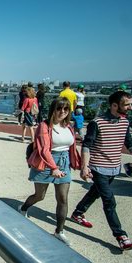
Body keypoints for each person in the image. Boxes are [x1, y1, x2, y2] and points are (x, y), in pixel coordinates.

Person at [71, 91, 132, 251]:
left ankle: (78, 213)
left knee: (95, 192)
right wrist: (85, 167)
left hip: (114, 168)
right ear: (114, 105)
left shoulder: (124, 122)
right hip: (98, 168)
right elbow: (87, 145)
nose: (130, 107)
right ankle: (121, 236)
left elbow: (129, 142)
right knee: (109, 201)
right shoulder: (97, 123)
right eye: (127, 104)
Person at [19, 98, 81, 245]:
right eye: (59, 109)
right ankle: (23, 208)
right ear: (53, 109)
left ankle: (59, 231)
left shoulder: (69, 126)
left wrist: (80, 165)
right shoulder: (44, 126)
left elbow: (71, 147)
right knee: (40, 196)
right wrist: (53, 168)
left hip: (63, 162)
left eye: (66, 109)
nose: (62, 112)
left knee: (63, 199)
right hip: (45, 162)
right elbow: (43, 149)